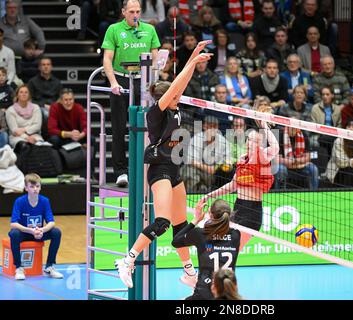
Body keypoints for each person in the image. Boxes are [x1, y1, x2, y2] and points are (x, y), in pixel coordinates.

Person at [114, 41, 213, 289]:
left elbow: (182, 83)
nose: (179, 95)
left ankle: (189, 273)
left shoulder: (175, 107)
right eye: (174, 94)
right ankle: (127, 260)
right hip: (159, 169)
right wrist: (191, 60)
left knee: (180, 227)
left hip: (174, 168)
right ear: (164, 96)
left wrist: (194, 57)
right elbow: (177, 85)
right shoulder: (155, 112)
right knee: (163, 223)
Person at [197, 101, 279, 251]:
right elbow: (232, 185)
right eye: (250, 140)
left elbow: (275, 148)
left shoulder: (263, 158)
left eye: (256, 141)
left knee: (232, 250)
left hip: (252, 212)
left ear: (260, 145)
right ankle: (215, 272)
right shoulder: (242, 159)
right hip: (238, 207)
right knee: (221, 248)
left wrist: (264, 126)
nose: (251, 143)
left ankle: (219, 273)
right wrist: (208, 195)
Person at [102, 0, 160, 187]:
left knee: (147, 126)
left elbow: (156, 56)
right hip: (121, 79)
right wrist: (113, 82)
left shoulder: (149, 30)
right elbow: (107, 58)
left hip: (143, 80)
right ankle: (121, 172)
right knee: (119, 128)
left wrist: (154, 79)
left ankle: (145, 167)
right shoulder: (113, 29)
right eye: (132, 11)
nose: (135, 15)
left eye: (138, 11)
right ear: (124, 12)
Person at [172, 199, 241, 300]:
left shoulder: (200, 234)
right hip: (227, 293)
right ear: (228, 215)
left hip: (203, 294)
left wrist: (195, 219)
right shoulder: (236, 235)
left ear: (210, 214)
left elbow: (176, 242)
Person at [9, 173, 63, 280]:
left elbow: (51, 222)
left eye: (37, 186)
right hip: (25, 233)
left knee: (56, 232)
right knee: (14, 233)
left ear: (40, 187)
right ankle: (19, 268)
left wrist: (42, 230)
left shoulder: (44, 201)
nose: (35, 189)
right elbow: (13, 223)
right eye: (32, 186)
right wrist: (30, 231)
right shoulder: (19, 201)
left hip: (39, 233)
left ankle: (49, 266)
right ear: (26, 188)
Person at [181, 115, 232, 192]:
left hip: (216, 173)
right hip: (198, 170)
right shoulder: (196, 139)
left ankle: (222, 194)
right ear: (204, 126)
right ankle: (192, 195)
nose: (212, 130)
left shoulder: (223, 142)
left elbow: (228, 160)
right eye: (210, 127)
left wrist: (222, 166)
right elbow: (190, 160)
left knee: (229, 171)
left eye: (214, 127)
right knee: (189, 170)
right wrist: (208, 168)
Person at [324, 119, 353, 187]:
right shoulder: (338, 141)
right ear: (345, 128)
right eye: (349, 126)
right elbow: (339, 161)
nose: (351, 129)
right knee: (349, 171)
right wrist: (352, 163)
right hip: (338, 169)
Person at [275, 126, 319, 190]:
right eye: (291, 127)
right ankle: (279, 194)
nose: (293, 129)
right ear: (287, 126)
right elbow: (276, 159)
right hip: (285, 166)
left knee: (313, 169)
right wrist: (291, 161)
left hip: (300, 166)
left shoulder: (303, 135)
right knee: (281, 169)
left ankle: (313, 194)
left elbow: (308, 156)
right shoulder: (279, 135)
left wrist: (297, 161)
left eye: (295, 127)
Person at [5, 85, 43, 152]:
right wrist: (27, 137)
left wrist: (24, 129)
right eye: (21, 92)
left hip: (35, 135)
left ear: (29, 95)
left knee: (41, 147)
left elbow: (37, 126)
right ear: (17, 95)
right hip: (17, 137)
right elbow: (15, 130)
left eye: (26, 92)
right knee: (25, 146)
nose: (24, 94)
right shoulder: (10, 110)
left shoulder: (36, 107)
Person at [310, 85, 342, 150]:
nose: (325, 97)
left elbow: (339, 124)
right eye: (323, 94)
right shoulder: (315, 108)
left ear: (332, 95)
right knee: (314, 141)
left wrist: (334, 133)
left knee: (338, 142)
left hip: (333, 135)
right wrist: (323, 131)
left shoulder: (337, 109)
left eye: (327, 94)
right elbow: (313, 124)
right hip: (319, 135)